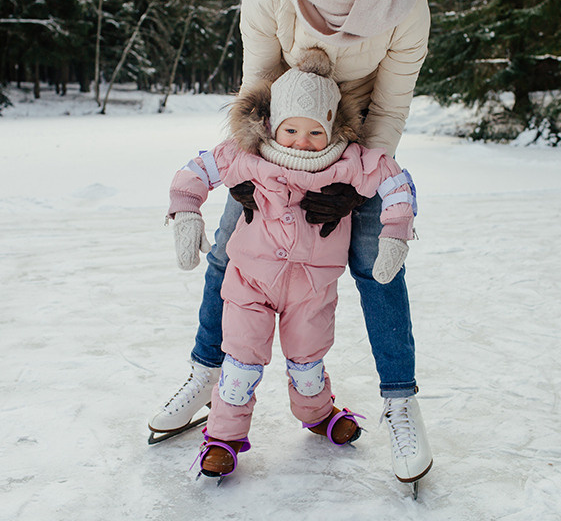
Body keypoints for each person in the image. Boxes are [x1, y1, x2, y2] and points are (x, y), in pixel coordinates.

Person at [149, 0, 433, 484]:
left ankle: (400, 402)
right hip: (275, 140)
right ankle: (209, 373)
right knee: (230, 251)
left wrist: (355, 184)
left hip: (353, 148)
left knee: (377, 268)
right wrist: (246, 162)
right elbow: (258, 81)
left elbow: (390, 107)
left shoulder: (407, 5)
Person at [168, 49, 415, 477]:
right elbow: (195, 171)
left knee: (308, 362)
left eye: (315, 131)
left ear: (333, 127)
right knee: (242, 362)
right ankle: (223, 437)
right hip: (250, 284)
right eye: (291, 129)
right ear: (272, 125)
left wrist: (394, 231)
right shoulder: (249, 156)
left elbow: (396, 180)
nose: (302, 141)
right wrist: (187, 210)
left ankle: (319, 414)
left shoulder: (347, 162)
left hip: (312, 290)